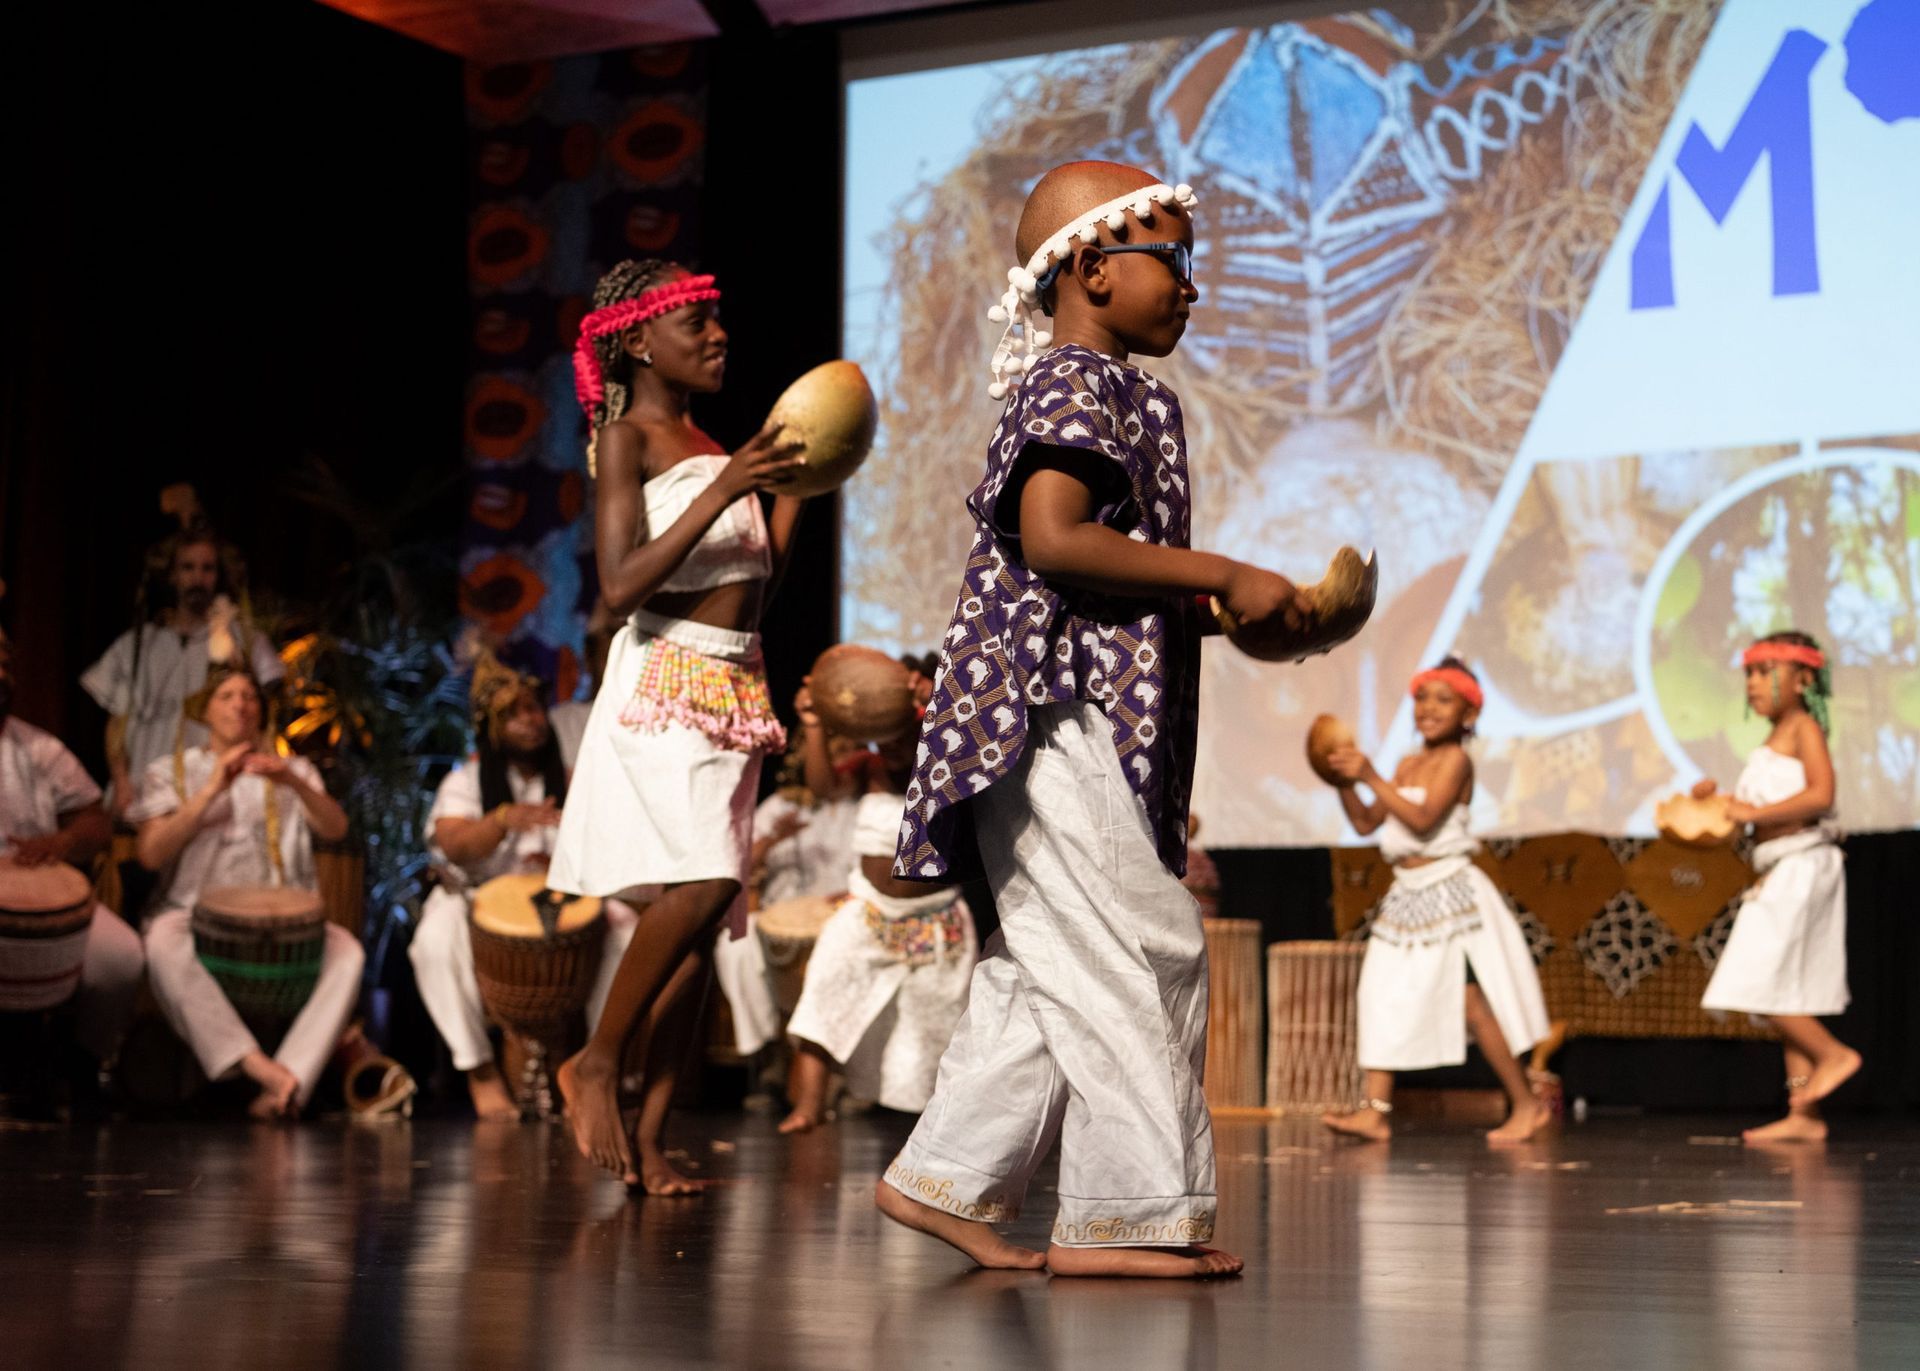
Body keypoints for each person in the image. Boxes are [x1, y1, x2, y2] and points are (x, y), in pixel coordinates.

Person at [878, 161, 1305, 1279]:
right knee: (1142, 941)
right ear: (1090, 267)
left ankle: (945, 1180)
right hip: (1046, 715)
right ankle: (1130, 1212)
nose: (1190, 286)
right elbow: (1058, 540)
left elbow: (1102, 589)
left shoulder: (1125, 392)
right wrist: (1222, 571)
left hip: (1075, 699)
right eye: (1171, 259)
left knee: (1052, 961)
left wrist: (1230, 614)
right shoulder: (1075, 379)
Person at [546, 258, 815, 1192]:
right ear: (635, 340)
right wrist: (727, 477)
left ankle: (652, 1136)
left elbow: (758, 585)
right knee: (701, 884)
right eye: (695, 322)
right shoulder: (631, 440)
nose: (717, 335)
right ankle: (594, 1061)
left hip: (733, 689)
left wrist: (793, 489)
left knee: (705, 924)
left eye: (717, 319)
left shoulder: (706, 439)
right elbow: (620, 585)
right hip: (664, 681)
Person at [1317, 657, 1553, 1144]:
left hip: (1450, 895)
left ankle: (1526, 1105)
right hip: (1406, 896)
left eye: (1444, 700)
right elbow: (1366, 823)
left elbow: (1424, 820)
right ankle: (1374, 1112)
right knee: (1378, 993)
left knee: (1470, 1004)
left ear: (1468, 714)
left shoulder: (1455, 761)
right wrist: (1344, 781)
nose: (1428, 708)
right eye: (1423, 697)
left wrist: (1370, 775)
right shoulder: (1407, 763)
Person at [128, 666, 359, 1119]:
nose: (240, 704)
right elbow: (151, 855)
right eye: (227, 696)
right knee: (161, 943)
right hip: (192, 912)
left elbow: (336, 827)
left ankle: (288, 1082)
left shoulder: (292, 768)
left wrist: (290, 781)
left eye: (249, 695)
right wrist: (213, 787)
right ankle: (256, 1067)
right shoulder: (174, 770)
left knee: (347, 951)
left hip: (285, 920)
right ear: (205, 710)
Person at [781, 665, 974, 1132]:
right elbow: (824, 788)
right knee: (823, 998)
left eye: (898, 740)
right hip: (868, 913)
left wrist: (936, 705)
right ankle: (809, 1107)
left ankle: (933, 1127)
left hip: (936, 919)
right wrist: (812, 724)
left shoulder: (944, 765)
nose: (888, 751)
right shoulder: (867, 771)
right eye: (881, 742)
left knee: (931, 1030)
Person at [1696, 631, 1859, 1143]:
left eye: (1766, 671)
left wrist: (1752, 811)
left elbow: (1821, 794)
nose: (1751, 683)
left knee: (1761, 983)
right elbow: (1753, 816)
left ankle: (1835, 1054)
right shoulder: (1769, 744)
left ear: (1804, 679)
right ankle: (1803, 1113)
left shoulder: (1805, 728)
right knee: (1790, 989)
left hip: (1802, 865)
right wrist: (1712, 801)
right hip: (1781, 866)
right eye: (1747, 673)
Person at [409, 650, 575, 1120]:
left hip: (557, 904)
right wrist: (503, 820)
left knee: (624, 929)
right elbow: (454, 843)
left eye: (535, 709)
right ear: (492, 725)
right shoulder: (466, 782)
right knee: (434, 941)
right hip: (479, 901)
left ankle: (606, 1071)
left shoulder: (570, 780)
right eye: (516, 712)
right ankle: (479, 1070)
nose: (531, 720)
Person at [0, 621, 144, 1074]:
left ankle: (83, 1068)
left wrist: (62, 841)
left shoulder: (38, 748)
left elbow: (96, 823)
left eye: (4, 665)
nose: (1, 674)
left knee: (120, 959)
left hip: (43, 903)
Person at [82, 496, 282, 814]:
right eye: (187, 568)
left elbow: (269, 709)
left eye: (207, 569)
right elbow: (117, 722)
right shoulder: (137, 644)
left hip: (211, 793)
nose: (197, 578)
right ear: (172, 574)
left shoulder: (243, 639)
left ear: (219, 575)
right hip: (141, 794)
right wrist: (120, 780)